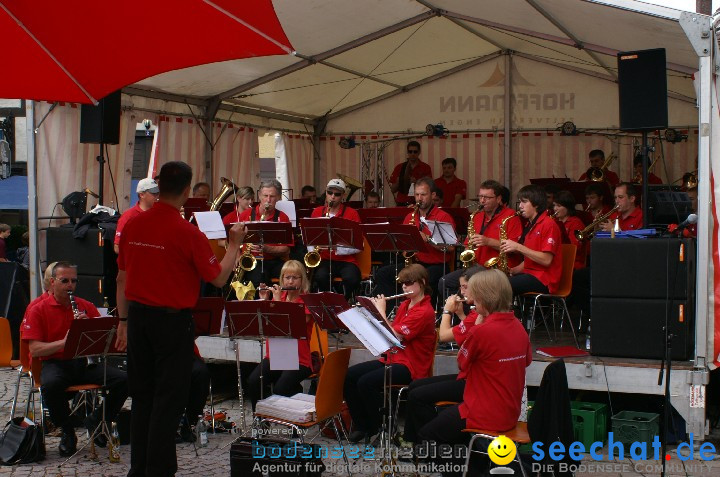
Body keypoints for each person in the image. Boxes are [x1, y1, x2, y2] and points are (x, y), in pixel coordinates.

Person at [115, 161, 245, 477]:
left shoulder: (134, 224)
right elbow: (217, 278)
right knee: (168, 399)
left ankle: (139, 468)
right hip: (172, 323)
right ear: (187, 191)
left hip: (138, 319)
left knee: (142, 396)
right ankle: (159, 470)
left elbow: (121, 277)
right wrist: (235, 244)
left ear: (159, 187)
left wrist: (122, 320)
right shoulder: (188, 232)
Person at [417, 270, 531, 475]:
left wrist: (476, 328)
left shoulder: (482, 331)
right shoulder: (518, 326)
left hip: (483, 412)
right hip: (509, 411)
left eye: (474, 296)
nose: (471, 301)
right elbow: (527, 361)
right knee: (446, 423)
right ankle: (473, 467)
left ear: (486, 297)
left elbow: (462, 363)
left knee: (428, 436)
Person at [22, 261, 129, 456]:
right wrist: (65, 342)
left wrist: (89, 328)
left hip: (82, 362)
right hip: (55, 362)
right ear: (52, 282)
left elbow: (105, 337)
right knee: (51, 386)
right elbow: (35, 349)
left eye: (73, 281)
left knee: (124, 380)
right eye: (65, 281)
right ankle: (68, 430)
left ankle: (98, 419)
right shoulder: (38, 309)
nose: (70, 285)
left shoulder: (85, 306)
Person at [344, 264, 436, 443]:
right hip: (394, 358)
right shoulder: (405, 305)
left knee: (366, 383)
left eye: (409, 283)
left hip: (412, 365)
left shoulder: (425, 311)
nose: (404, 287)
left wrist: (379, 311)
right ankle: (364, 426)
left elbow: (395, 335)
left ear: (422, 283)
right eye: (402, 283)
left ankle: (383, 427)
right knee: (349, 376)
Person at [402, 268, 481, 444]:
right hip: (469, 376)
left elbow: (444, 336)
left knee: (418, 395)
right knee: (415, 386)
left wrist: (447, 311)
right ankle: (414, 440)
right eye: (461, 287)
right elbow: (466, 337)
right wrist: (460, 314)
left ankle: (425, 441)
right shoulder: (474, 314)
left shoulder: (478, 315)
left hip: (473, 382)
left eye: (465, 287)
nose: (461, 292)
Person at [373, 177, 455, 303]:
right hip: (413, 262)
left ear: (433, 195)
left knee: (419, 277)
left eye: (423, 194)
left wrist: (427, 239)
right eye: (417, 195)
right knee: (383, 273)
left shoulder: (443, 217)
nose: (419, 198)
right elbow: (404, 246)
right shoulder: (410, 217)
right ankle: (391, 311)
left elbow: (450, 248)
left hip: (435, 265)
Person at [438, 180, 522, 298]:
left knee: (471, 285)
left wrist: (487, 241)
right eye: (480, 196)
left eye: (487, 197)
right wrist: (468, 250)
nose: (482, 201)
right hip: (476, 267)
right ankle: (462, 313)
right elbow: (468, 244)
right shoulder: (476, 216)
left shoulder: (511, 216)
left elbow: (515, 248)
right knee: (444, 282)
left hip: (498, 269)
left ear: (498, 199)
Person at [247, 260, 314, 408]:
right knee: (254, 381)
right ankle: (261, 422)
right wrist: (264, 300)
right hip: (276, 355)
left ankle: (296, 422)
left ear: (302, 280)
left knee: (281, 388)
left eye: (295, 277)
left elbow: (290, 326)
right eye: (287, 277)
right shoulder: (279, 298)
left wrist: (276, 303)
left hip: (298, 357)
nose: (290, 281)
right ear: (281, 278)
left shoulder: (307, 301)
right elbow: (264, 323)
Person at [500, 184, 563, 296]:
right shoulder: (530, 225)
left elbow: (546, 260)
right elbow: (531, 259)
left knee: (499, 286)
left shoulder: (548, 224)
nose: (520, 206)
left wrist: (518, 247)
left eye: (524, 202)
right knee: (493, 281)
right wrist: (513, 270)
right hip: (530, 274)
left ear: (536, 204)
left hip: (545, 279)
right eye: (520, 202)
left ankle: (503, 313)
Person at [308, 179, 361, 299]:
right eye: (329, 192)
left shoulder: (352, 214)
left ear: (343, 196)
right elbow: (309, 238)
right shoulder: (317, 212)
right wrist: (313, 251)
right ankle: (328, 303)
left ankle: (344, 302)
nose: (333, 197)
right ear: (325, 193)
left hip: (347, 260)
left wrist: (335, 247)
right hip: (324, 259)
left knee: (352, 279)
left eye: (337, 194)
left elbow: (358, 245)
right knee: (320, 277)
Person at [235, 179, 293, 288]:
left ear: (279, 198)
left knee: (289, 278)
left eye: (272, 196)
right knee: (257, 279)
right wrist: (237, 256)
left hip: (275, 260)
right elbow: (235, 241)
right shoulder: (245, 216)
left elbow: (286, 249)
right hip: (251, 261)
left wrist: (267, 249)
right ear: (259, 196)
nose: (268, 200)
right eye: (265, 196)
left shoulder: (283, 218)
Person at [114, 178, 159, 254]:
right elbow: (117, 247)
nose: (157, 196)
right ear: (142, 194)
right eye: (153, 193)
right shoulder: (128, 216)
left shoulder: (160, 214)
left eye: (158, 193)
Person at [389, 141, 432, 206]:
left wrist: (416, 183)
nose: (412, 154)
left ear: (419, 152)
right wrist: (398, 182)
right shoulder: (399, 167)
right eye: (410, 151)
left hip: (419, 203)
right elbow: (393, 190)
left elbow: (429, 188)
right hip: (402, 202)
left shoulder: (425, 167)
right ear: (407, 152)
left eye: (415, 152)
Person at [553, 190, 587, 269]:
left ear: (567, 207)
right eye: (554, 205)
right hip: (557, 261)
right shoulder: (554, 221)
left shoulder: (576, 223)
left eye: (558, 205)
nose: (555, 208)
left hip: (572, 264)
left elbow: (573, 248)